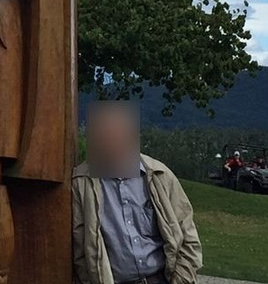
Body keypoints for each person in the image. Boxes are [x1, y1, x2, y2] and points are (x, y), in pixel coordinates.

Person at [73, 103, 203, 284]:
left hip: (161, 279)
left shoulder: (160, 175)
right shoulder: (81, 183)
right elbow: (80, 250)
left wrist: (182, 280)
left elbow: (188, 237)